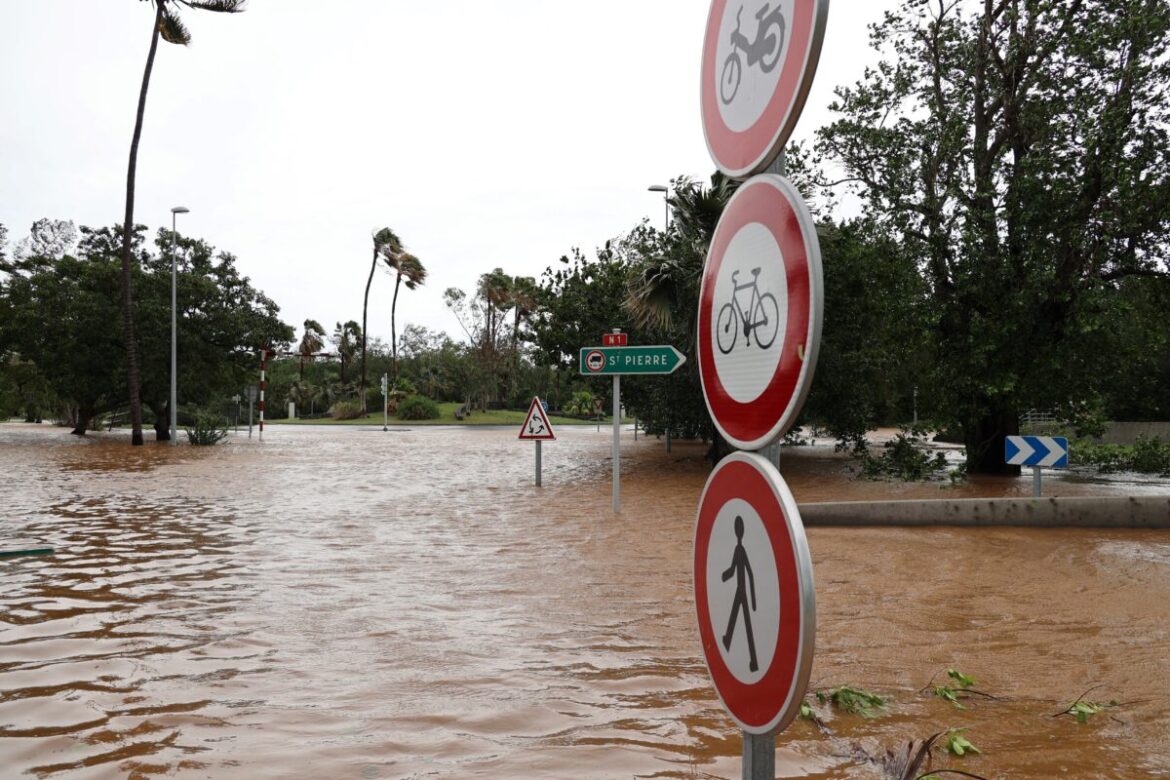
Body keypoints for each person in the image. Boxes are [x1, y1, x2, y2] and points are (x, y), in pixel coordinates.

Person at [721, 515, 759, 672]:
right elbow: (735, 569)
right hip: (739, 589)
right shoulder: (739, 549)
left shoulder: (740, 549)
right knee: (737, 617)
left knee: (746, 623)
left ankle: (754, 661)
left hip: (741, 590)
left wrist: (754, 599)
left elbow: (749, 572)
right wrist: (726, 575)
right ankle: (728, 640)